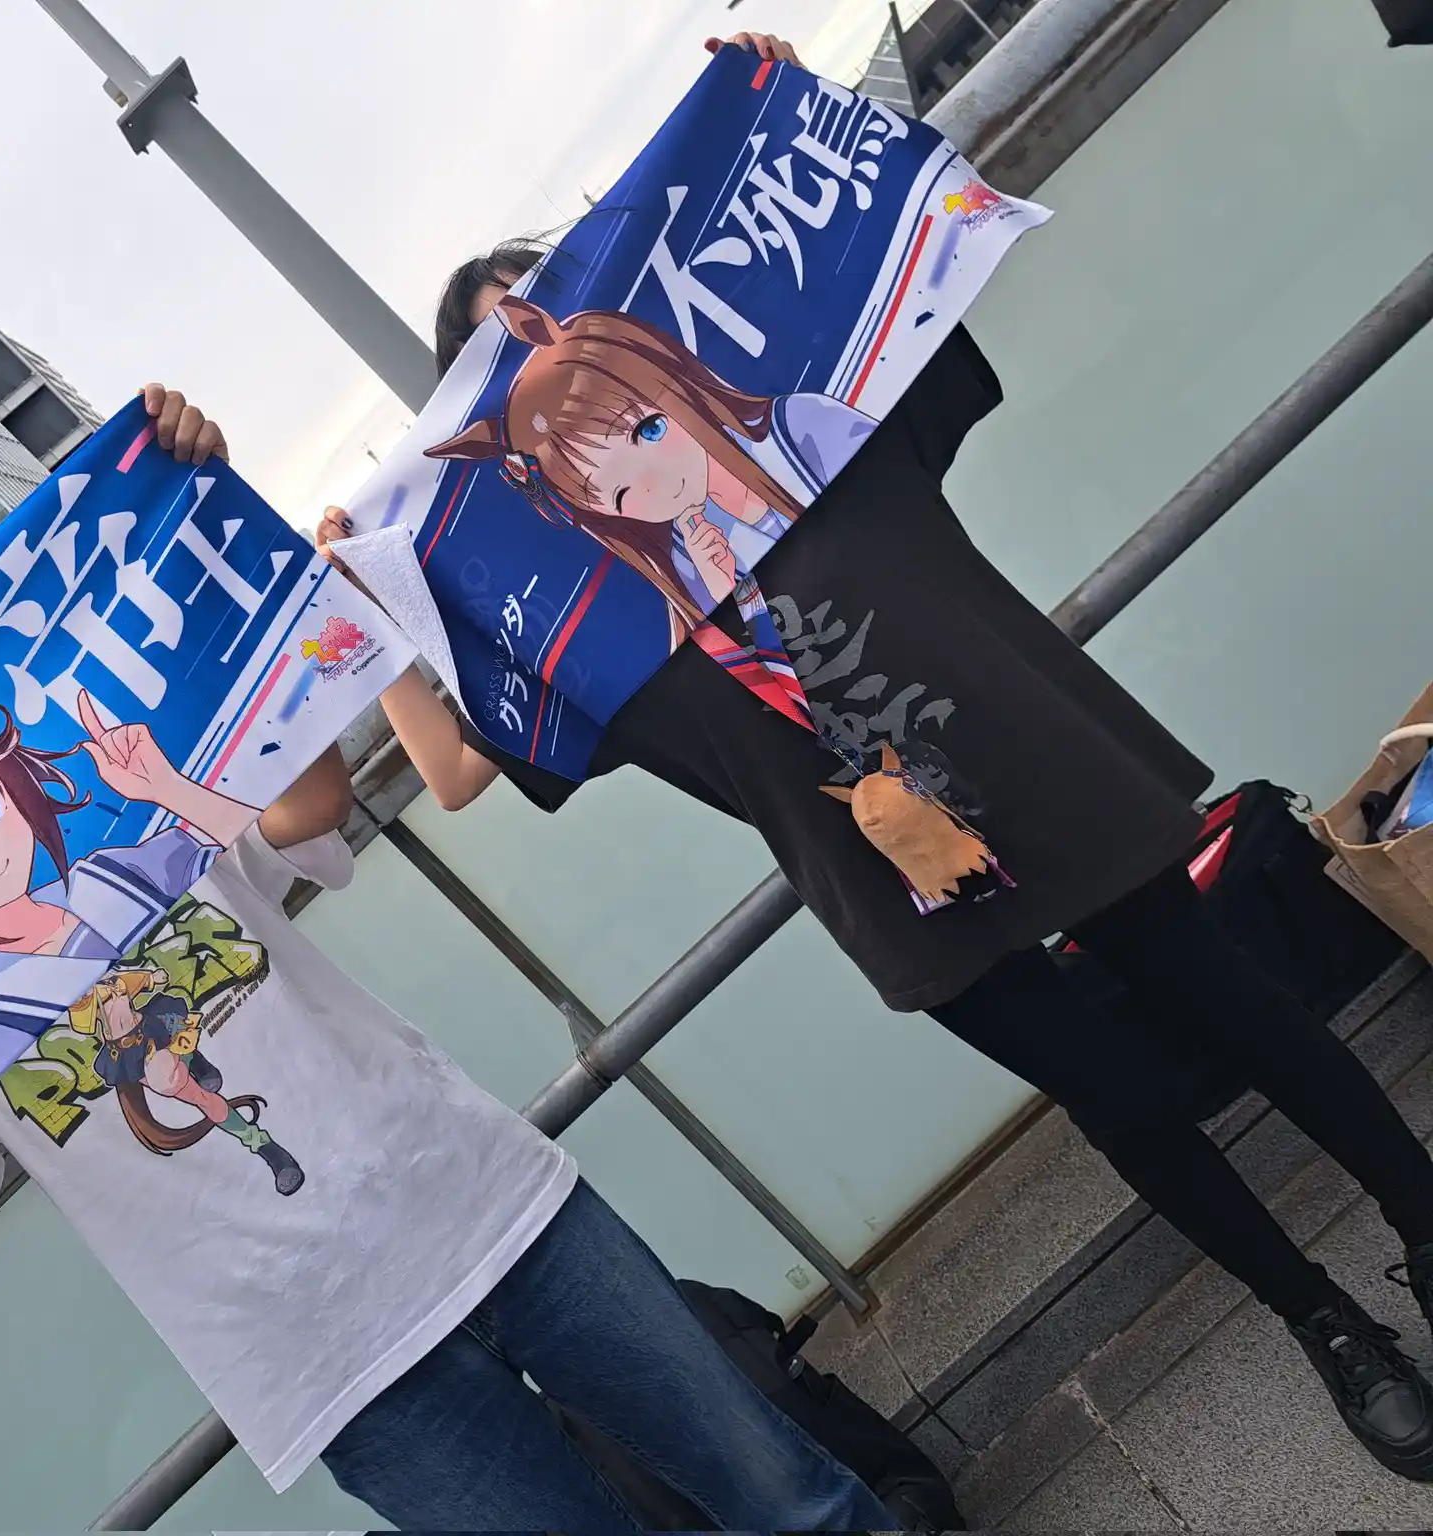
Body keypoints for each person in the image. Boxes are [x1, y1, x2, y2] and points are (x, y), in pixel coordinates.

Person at [0, 388, 892, 1531]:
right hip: (318, 1359)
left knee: (799, 1503)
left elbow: (308, 803)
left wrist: (204, 516)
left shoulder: (126, 821)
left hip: (485, 1203)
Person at [316, 28, 1433, 1482]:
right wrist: (379, 607)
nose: (556, 373)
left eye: (556, 319)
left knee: (1234, 998)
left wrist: (796, 108)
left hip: (1028, 757)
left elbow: (901, 276)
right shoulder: (600, 633)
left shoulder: (813, 432)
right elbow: (467, 770)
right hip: (886, 871)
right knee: (1119, 1100)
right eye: (503, 361)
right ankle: (1327, 1324)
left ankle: (1421, 1217)